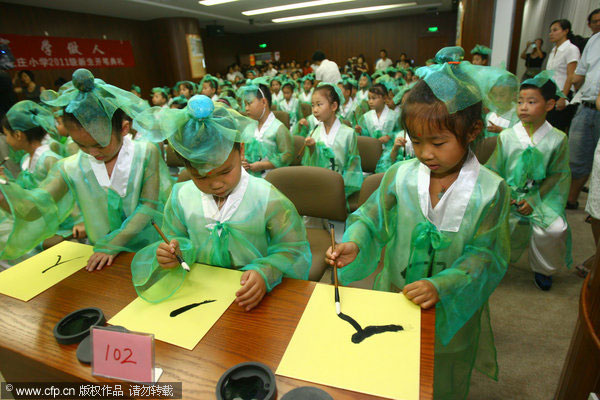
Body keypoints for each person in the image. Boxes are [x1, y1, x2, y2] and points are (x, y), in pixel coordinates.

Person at [326, 62, 510, 399]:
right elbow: (371, 217)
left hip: (450, 303)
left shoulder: (490, 191)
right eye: (416, 141)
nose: (426, 153)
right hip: (395, 292)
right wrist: (354, 241)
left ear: (472, 131)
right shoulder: (401, 174)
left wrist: (442, 284)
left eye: (439, 142)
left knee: (441, 376)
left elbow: (485, 255)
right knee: (391, 364)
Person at [131, 95, 311, 307]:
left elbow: (292, 249)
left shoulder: (266, 198)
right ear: (187, 167)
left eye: (225, 171)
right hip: (201, 296)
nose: (216, 184)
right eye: (201, 176)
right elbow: (174, 239)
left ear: (241, 150)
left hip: (252, 296)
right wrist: (174, 254)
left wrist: (266, 272)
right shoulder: (181, 197)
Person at [0, 69, 171, 269]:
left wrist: (113, 243)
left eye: (100, 144)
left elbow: (148, 206)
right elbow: (33, 209)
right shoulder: (70, 166)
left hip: (149, 251)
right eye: (81, 145)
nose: (92, 152)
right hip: (101, 256)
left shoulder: (145, 152)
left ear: (124, 129)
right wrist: (5, 195)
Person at [486, 71, 571, 290]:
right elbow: (496, 169)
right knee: (485, 220)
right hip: (509, 194)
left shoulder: (557, 138)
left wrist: (534, 199)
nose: (523, 107)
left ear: (549, 105)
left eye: (531, 102)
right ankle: (491, 262)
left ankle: (544, 269)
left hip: (542, 196)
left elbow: (557, 174)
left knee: (554, 229)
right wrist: (507, 195)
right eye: (520, 102)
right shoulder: (506, 136)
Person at [302, 83, 362, 199]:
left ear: (334, 106)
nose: (315, 110)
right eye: (313, 105)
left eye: (319, 105)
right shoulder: (315, 133)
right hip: (318, 185)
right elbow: (309, 166)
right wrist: (312, 149)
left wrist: (341, 189)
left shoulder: (349, 134)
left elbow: (353, 166)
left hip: (341, 188)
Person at [567, 9, 600, 210]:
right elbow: (579, 74)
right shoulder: (594, 41)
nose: (598, 24)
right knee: (577, 156)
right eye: (595, 21)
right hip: (587, 106)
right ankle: (570, 200)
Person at [240, 78, 293, 177]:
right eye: (245, 104)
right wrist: (243, 160)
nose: (246, 108)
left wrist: (263, 165)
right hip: (250, 178)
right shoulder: (248, 128)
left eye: (249, 103)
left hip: (274, 179)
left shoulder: (279, 128)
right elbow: (242, 151)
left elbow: (287, 156)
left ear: (264, 102)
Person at [545, 19, 580, 133]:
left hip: (562, 93)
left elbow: (571, 75)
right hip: (550, 92)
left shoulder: (571, 49)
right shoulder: (554, 50)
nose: (551, 33)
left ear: (565, 31)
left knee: (556, 129)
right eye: (550, 31)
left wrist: (563, 97)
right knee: (547, 127)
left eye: (555, 30)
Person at [355, 83, 399, 152]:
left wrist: (389, 136)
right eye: (369, 98)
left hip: (390, 151)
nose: (370, 102)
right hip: (372, 150)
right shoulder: (366, 116)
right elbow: (367, 134)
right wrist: (361, 131)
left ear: (384, 98)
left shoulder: (394, 116)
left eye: (374, 98)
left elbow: (399, 131)